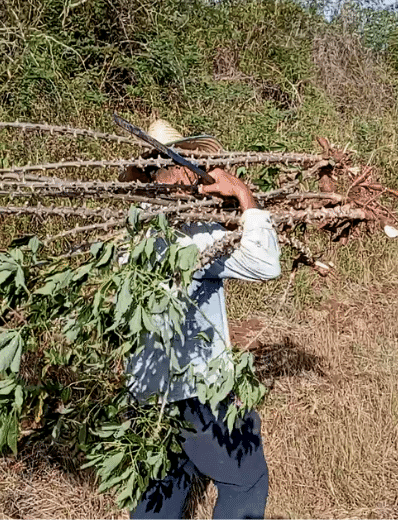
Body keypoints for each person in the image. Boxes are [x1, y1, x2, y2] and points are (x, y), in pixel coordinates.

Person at [121, 119, 281, 519]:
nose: (194, 174)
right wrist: (244, 196)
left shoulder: (129, 233)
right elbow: (265, 263)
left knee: (164, 488)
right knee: (246, 480)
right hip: (197, 390)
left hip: (146, 390)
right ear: (171, 173)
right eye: (186, 165)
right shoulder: (192, 238)